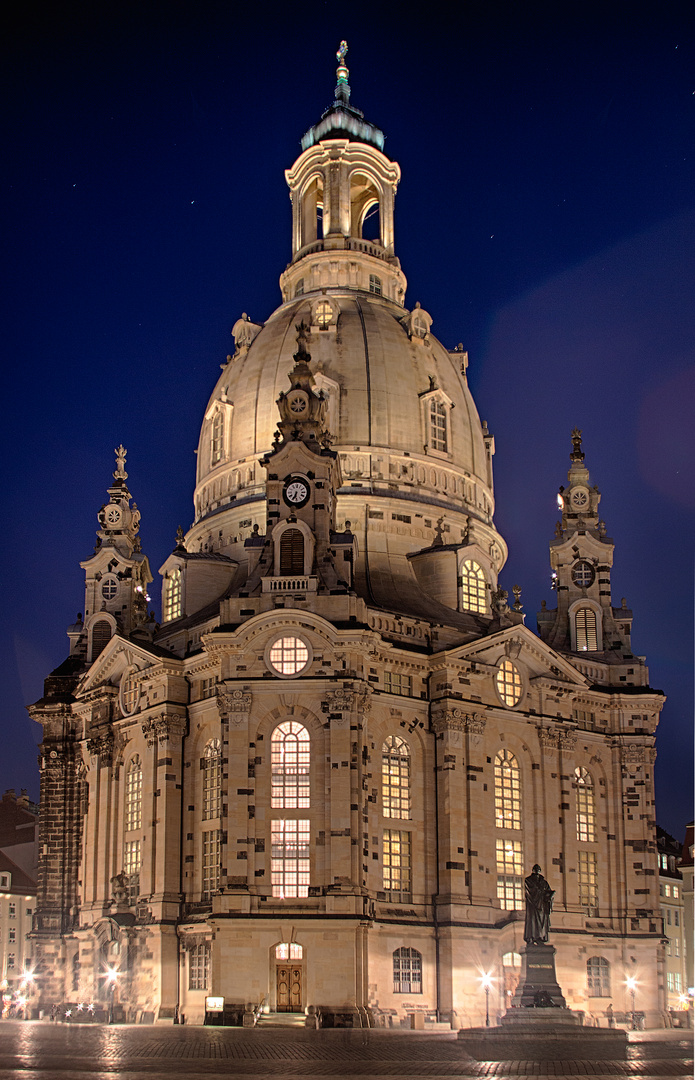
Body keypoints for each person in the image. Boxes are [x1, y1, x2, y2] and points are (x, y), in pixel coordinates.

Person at [524, 864, 554, 944]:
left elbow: (549, 892)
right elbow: (530, 892)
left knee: (542, 922)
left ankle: (541, 937)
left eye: (538, 869)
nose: (537, 870)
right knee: (533, 922)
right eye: (536, 869)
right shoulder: (528, 880)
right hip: (533, 906)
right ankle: (533, 937)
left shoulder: (544, 882)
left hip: (542, 906)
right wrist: (540, 892)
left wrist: (549, 896)